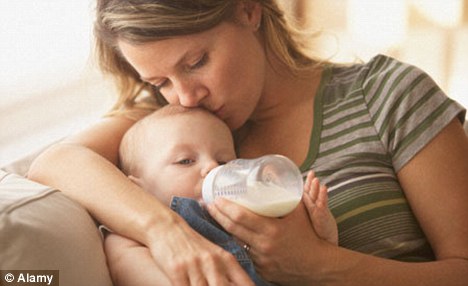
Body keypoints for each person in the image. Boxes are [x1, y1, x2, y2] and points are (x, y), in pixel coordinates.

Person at [27, 0, 468, 285]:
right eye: (159, 81)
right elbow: (58, 160)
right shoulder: (174, 128)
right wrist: (165, 233)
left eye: (196, 61)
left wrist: (320, 266)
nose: (185, 95)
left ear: (248, 10)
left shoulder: (386, 95)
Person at [106, 104, 337, 285]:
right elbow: (128, 269)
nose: (212, 168)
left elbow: (304, 268)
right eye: (185, 161)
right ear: (138, 190)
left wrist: (321, 232)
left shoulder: (246, 217)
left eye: (224, 161)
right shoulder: (131, 239)